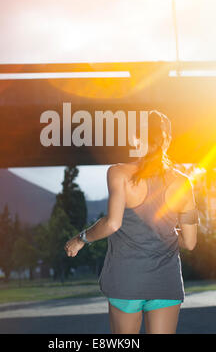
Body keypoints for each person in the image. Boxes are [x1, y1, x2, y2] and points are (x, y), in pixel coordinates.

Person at [64, 110, 200, 334]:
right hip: (165, 283)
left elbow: (112, 224)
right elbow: (191, 242)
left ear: (136, 138)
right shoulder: (184, 183)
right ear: (167, 140)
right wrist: (163, 231)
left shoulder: (119, 174)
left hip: (126, 281)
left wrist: (81, 239)